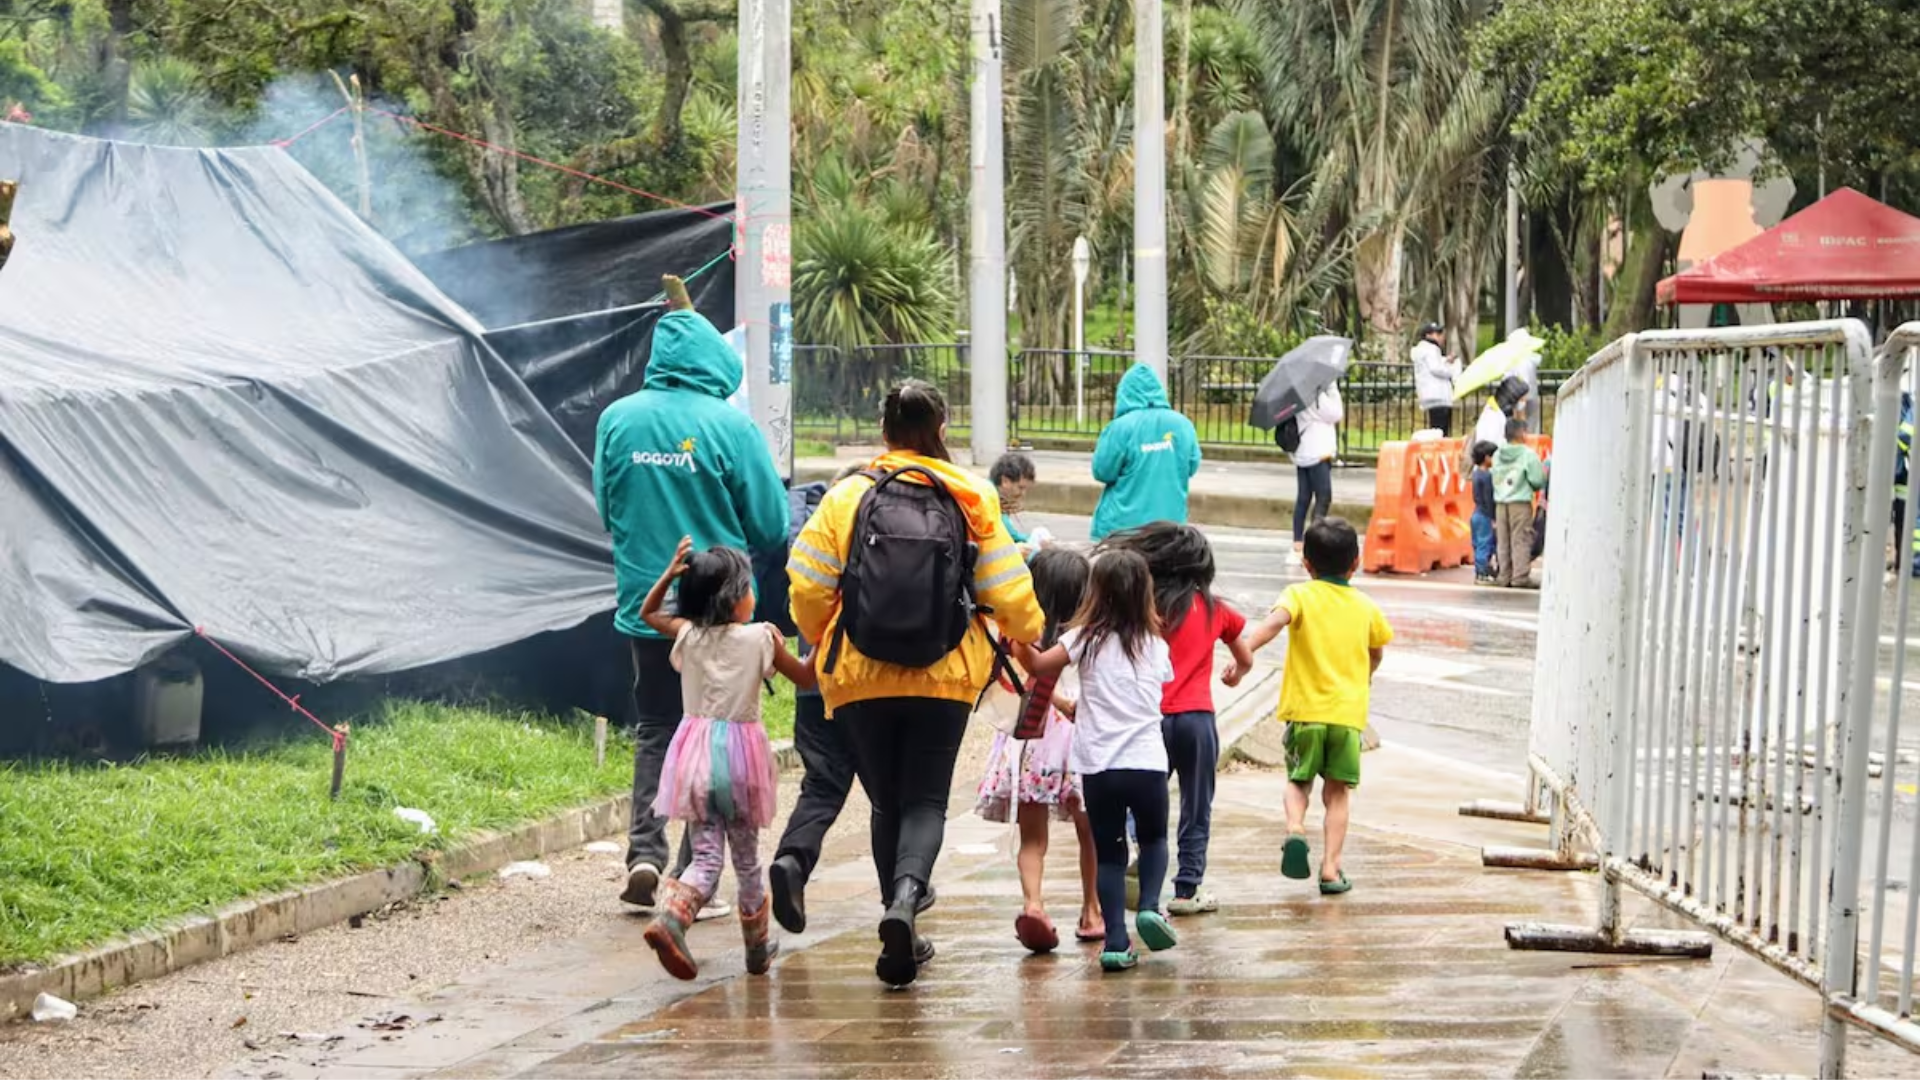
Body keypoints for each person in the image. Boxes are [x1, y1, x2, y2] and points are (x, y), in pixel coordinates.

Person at [787, 379, 1045, 988]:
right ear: (943, 429)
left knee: (887, 803)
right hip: (944, 676)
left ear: (884, 431)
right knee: (927, 800)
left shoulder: (848, 494)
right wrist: (1024, 630)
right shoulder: (970, 496)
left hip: (858, 676)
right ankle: (906, 900)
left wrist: (826, 634)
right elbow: (1012, 595)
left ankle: (894, 914)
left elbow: (804, 586)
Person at [595, 278, 788, 917]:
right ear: (712, 366)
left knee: (657, 728)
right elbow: (766, 524)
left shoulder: (616, 419)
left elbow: (606, 508)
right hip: (723, 612)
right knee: (711, 735)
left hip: (645, 606)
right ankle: (686, 872)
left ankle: (644, 854)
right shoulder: (730, 426)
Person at [765, 468, 939, 935]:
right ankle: (903, 893)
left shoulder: (822, 543)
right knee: (896, 799)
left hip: (812, 685)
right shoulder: (882, 551)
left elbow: (801, 600)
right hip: (859, 685)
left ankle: (792, 861)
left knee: (822, 786)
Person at [636, 537, 816, 981]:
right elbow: (808, 678)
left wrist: (668, 575)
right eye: (750, 587)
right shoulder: (761, 638)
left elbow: (648, 615)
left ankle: (676, 916)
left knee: (706, 856)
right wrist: (827, 628)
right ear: (736, 599)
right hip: (741, 765)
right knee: (748, 859)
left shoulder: (690, 636)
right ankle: (750, 946)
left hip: (695, 760)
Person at [1014, 549, 1179, 973]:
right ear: (1144, 594)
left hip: (1099, 766)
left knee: (1109, 854)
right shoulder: (1155, 644)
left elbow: (1035, 663)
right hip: (1147, 762)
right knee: (1155, 840)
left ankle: (1117, 943)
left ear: (1096, 592)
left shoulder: (1083, 638)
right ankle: (1149, 907)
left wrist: (1016, 634)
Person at [1102, 523, 1253, 915]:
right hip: (1197, 720)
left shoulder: (1143, 608)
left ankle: (1140, 851)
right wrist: (1235, 673)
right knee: (1196, 803)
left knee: (1144, 798)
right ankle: (1188, 889)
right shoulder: (1215, 608)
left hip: (1150, 721)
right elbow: (1245, 657)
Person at [1241, 518, 1393, 895]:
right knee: (1338, 792)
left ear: (1306, 564)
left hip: (1305, 712)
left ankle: (1294, 829)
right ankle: (1330, 868)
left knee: (1298, 780)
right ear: (1355, 564)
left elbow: (1275, 622)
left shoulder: (1298, 595)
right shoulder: (1366, 606)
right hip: (1346, 715)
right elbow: (1376, 653)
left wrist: (1243, 653)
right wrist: (1366, 676)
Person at [973, 546, 1103, 953]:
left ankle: (1034, 904)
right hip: (1075, 741)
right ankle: (1092, 910)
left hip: (1027, 742)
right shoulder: (1085, 636)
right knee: (1091, 831)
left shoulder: (1020, 632)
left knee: (1033, 839)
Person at [1090, 364, 1201, 541]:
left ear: (1124, 393)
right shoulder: (1183, 425)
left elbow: (1102, 471)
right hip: (1170, 528)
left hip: (1123, 530)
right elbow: (1192, 466)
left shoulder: (1120, 427)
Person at [1288, 384, 1343, 567]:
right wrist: (1332, 388)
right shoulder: (1316, 394)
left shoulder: (1296, 392)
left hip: (1303, 451)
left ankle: (1297, 544)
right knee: (1323, 497)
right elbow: (1336, 414)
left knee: (1303, 498)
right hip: (1318, 451)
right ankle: (1315, 543)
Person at [1492, 418, 1548, 589]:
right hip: (1520, 502)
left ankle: (1504, 575)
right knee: (1521, 539)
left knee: (1503, 540)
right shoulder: (1528, 454)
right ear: (1522, 433)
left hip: (1501, 502)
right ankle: (1520, 577)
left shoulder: (1497, 454)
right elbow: (1537, 480)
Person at [1412, 323, 1461, 436]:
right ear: (1428, 335)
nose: (1441, 336)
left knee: (1436, 429)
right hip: (1438, 395)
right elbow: (1436, 369)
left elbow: (1431, 366)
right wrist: (1452, 371)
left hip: (1430, 395)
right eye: (1438, 333)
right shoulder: (1431, 349)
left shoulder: (1422, 350)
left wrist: (1445, 360)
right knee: (1441, 430)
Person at [991, 452, 1037, 544]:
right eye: (1020, 488)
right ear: (1005, 481)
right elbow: (1010, 535)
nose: (1023, 494)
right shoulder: (990, 500)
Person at [1469, 441, 1499, 586]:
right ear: (1487, 458)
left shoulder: (1475, 474)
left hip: (1476, 513)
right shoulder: (1487, 476)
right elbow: (1489, 498)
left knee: (1478, 544)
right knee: (1485, 544)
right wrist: (1494, 517)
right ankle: (1482, 572)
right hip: (1485, 515)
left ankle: (1481, 570)